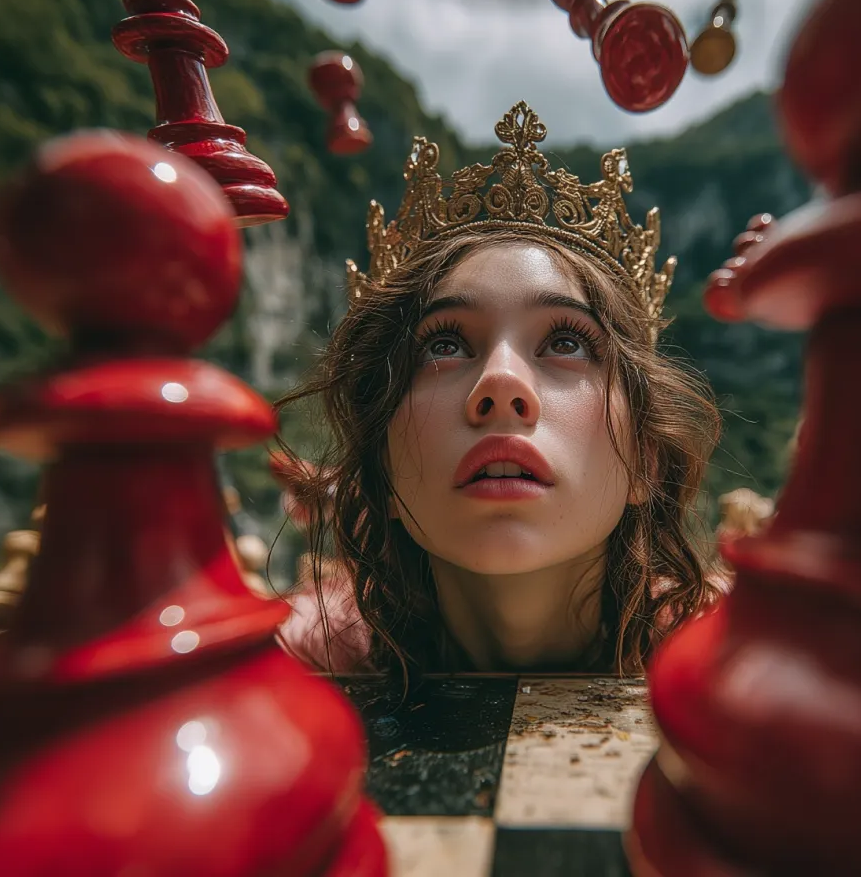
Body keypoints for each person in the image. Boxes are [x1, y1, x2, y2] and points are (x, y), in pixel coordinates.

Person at [276, 103, 722, 677]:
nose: (502, 382)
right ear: (380, 461)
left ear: (646, 458)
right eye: (443, 345)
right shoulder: (299, 659)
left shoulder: (747, 654)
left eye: (566, 341)